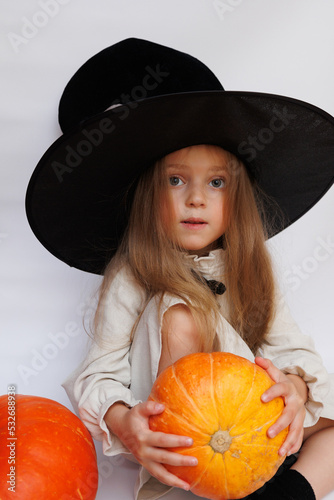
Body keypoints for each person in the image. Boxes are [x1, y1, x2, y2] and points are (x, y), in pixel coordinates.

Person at [25, 38, 334, 500]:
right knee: (182, 311)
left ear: (238, 198)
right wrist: (123, 421)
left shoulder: (250, 267)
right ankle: (226, 484)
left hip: (262, 433)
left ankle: (282, 493)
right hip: (188, 449)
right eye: (175, 180)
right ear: (148, 196)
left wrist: (292, 387)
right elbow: (98, 374)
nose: (196, 198)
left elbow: (292, 349)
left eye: (216, 182)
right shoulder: (132, 273)